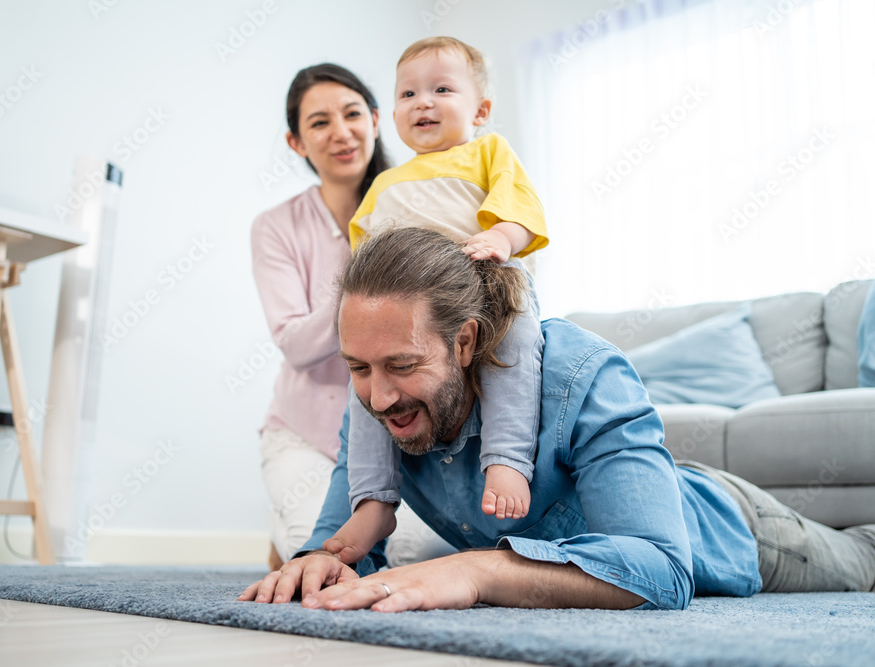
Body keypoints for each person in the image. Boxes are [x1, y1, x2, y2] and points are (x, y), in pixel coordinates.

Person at [239, 227, 875, 612]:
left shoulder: (580, 371)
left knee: (860, 561)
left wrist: (475, 570)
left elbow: (662, 569)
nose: (378, 397)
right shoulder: (376, 398)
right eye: (358, 368)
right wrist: (318, 560)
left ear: (463, 342)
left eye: (401, 364)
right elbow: (344, 542)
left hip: (727, 529)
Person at [323, 36, 551, 566]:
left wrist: (502, 240)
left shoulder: (488, 153)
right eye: (407, 94)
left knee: (515, 354)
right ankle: (374, 500)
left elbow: (523, 210)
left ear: (481, 110)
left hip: (490, 284)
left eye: (441, 88)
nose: (422, 102)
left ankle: (507, 460)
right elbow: (367, 260)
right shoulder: (385, 185)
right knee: (368, 389)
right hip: (415, 317)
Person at [250, 64, 455, 569]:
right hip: (305, 432)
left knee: (415, 552)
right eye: (319, 123)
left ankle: (290, 530)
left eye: (351, 114)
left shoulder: (416, 201)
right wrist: (365, 273)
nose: (341, 133)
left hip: (394, 427)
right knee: (329, 558)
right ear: (297, 143)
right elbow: (295, 343)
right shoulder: (275, 227)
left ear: (377, 119)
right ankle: (286, 529)